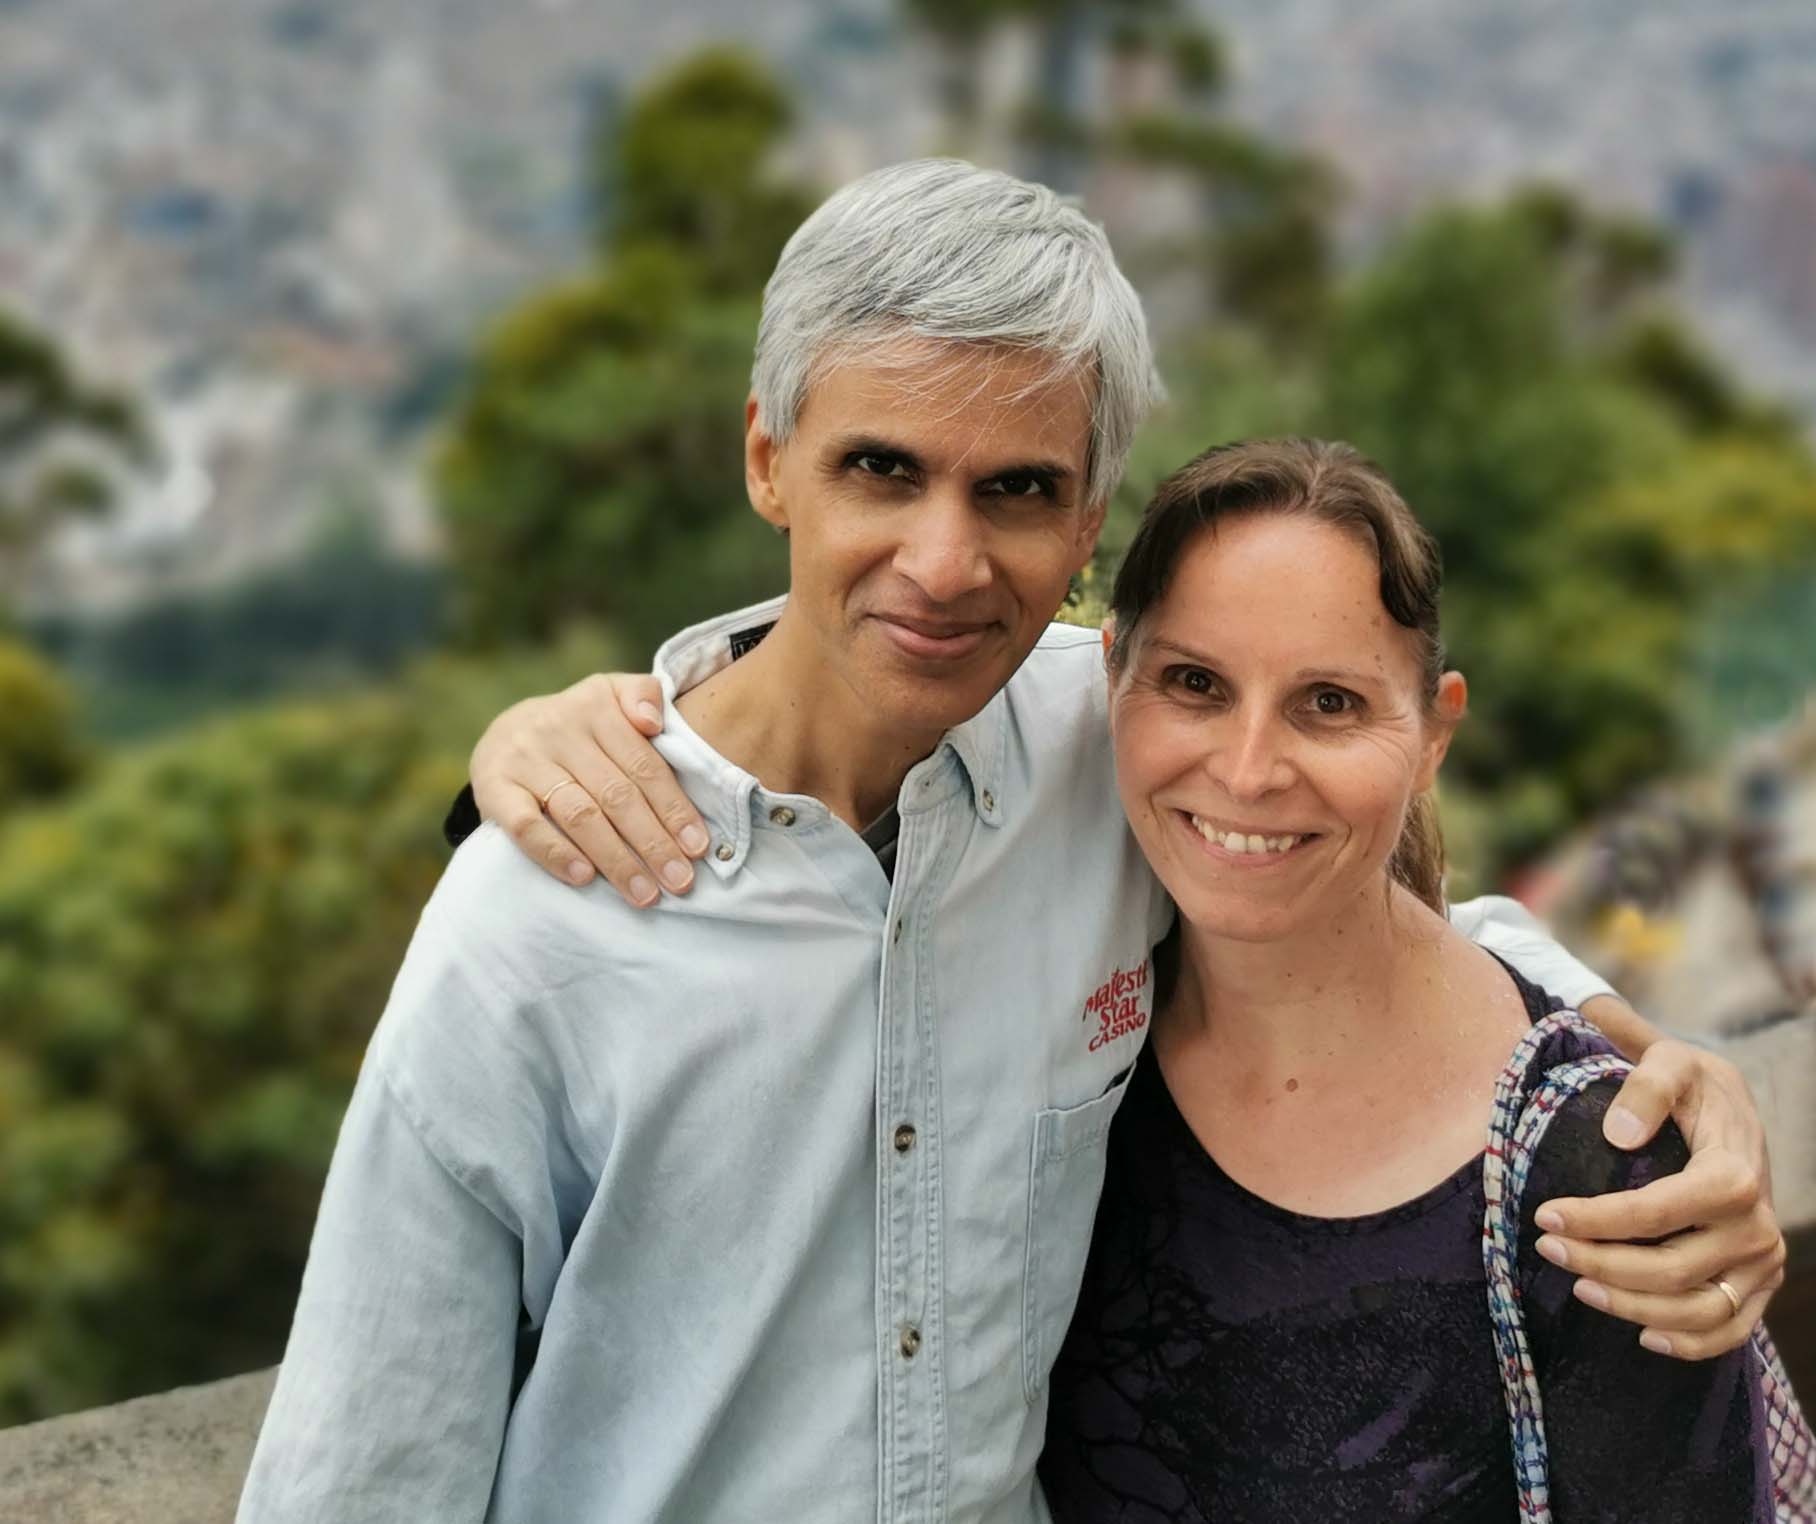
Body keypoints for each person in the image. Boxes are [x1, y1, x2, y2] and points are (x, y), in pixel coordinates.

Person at [240, 162, 1781, 1523]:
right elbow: (363, 1477)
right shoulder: (537, 923)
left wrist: (1635, 1059)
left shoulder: (1111, 743)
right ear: (769, 459)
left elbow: (1335, 871)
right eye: (883, 469)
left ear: (1087, 519)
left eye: (1018, 490)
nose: (945, 560)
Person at [1033, 437, 1781, 1518]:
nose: (1247, 770)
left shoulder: (1598, 1168)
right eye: (1194, 683)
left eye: (1329, 703)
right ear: (1111, 677)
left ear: (1434, 733)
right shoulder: (1068, 1024)